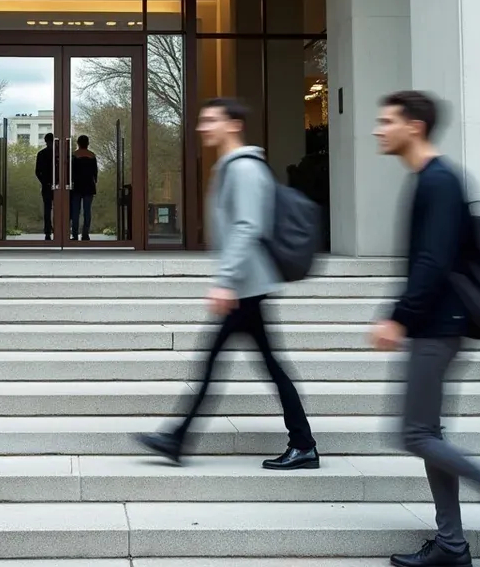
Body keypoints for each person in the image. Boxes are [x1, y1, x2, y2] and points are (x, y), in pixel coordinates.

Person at [370, 90, 480, 567]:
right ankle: (452, 546)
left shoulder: (437, 180)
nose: (379, 129)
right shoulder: (432, 178)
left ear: (413, 126)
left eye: (387, 121)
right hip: (436, 324)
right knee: (427, 433)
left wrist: (399, 315)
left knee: (416, 434)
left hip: (438, 325)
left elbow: (433, 260)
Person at [136, 97, 318, 470]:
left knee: (223, 363)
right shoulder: (232, 166)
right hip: (247, 284)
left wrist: (226, 281)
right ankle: (300, 442)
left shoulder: (244, 168)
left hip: (246, 285)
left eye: (210, 120)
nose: (203, 127)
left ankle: (179, 438)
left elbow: (248, 226)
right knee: (257, 364)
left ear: (233, 124)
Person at [70, 135, 98, 241]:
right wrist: (95, 181)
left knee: (75, 211)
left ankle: (75, 234)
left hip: (77, 186)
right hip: (89, 186)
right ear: (88, 143)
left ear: (78, 143)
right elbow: (95, 173)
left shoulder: (74, 155)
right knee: (87, 211)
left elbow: (70, 171)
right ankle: (85, 234)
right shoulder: (92, 155)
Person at [34, 132, 55, 240]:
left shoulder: (41, 154)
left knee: (47, 209)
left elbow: (37, 171)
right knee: (60, 208)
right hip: (58, 185)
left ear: (45, 141)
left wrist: (44, 182)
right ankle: (60, 230)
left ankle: (48, 232)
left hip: (46, 185)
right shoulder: (58, 153)